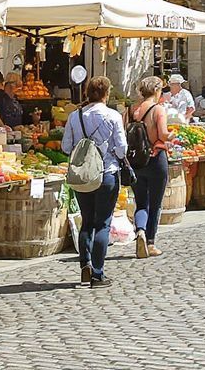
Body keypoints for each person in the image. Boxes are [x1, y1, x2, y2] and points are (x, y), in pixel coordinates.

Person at [60, 76, 127, 287]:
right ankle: (98, 273)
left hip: (83, 176)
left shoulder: (74, 116)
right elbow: (122, 149)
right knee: (103, 224)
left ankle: (84, 266)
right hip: (106, 173)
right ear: (106, 93)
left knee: (87, 222)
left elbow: (65, 146)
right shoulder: (113, 116)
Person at [130, 76, 170, 259]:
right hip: (155, 158)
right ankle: (151, 242)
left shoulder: (131, 110)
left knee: (141, 202)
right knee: (155, 203)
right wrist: (172, 135)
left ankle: (140, 230)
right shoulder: (157, 110)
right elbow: (162, 134)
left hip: (136, 161)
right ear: (156, 91)